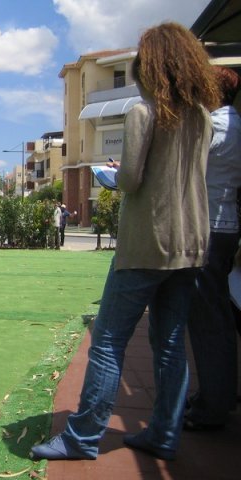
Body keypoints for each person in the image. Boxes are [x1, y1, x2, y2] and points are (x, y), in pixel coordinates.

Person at [31, 22, 219, 461]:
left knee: (110, 341)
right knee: (170, 343)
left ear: (150, 65)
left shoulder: (144, 112)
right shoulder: (203, 115)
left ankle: (82, 437)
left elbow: (133, 179)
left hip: (146, 242)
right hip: (191, 242)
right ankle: (164, 434)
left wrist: (113, 175)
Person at [185, 66, 241, 430]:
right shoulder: (235, 123)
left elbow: (184, 168)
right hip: (226, 227)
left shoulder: (215, 126)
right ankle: (216, 394)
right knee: (218, 315)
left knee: (207, 321)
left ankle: (213, 407)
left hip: (207, 228)